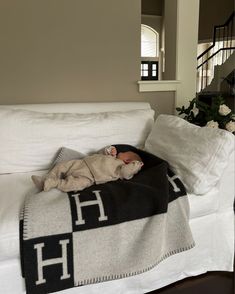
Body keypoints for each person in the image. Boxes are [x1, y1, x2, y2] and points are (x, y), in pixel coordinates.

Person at [31, 146, 143, 193]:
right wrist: (108, 150)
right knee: (61, 166)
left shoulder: (122, 169)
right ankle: (48, 177)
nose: (119, 152)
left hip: (90, 177)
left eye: (123, 153)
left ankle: (50, 183)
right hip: (82, 163)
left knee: (74, 185)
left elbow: (126, 172)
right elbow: (98, 154)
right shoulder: (111, 157)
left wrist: (137, 164)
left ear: (128, 160)